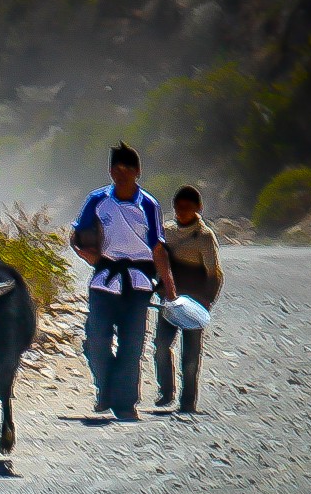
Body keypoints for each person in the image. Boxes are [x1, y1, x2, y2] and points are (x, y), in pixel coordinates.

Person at [70, 142, 175, 422]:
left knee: (131, 345)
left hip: (139, 283)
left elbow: (158, 248)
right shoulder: (97, 199)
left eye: (127, 167)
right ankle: (106, 390)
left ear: (138, 171)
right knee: (95, 341)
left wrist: (168, 284)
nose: (121, 173)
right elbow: (76, 234)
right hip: (105, 279)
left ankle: (125, 402)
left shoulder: (148, 205)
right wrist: (85, 254)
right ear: (110, 170)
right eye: (116, 167)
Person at [153, 185, 222, 413]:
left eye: (187, 207)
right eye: (178, 207)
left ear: (198, 208)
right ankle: (166, 391)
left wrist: (206, 303)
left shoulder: (205, 237)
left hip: (194, 303)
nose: (181, 212)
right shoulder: (167, 231)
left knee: (190, 356)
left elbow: (215, 274)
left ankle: (188, 401)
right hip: (170, 300)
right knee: (161, 347)